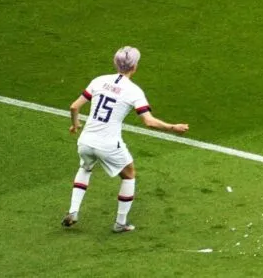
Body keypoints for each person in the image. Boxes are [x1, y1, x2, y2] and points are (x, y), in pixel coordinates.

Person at [63, 46, 189, 233]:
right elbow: (149, 121)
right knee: (129, 175)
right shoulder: (133, 91)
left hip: (86, 140)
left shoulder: (99, 80)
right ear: (134, 67)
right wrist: (173, 127)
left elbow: (74, 107)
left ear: (116, 63)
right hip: (108, 144)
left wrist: (75, 125)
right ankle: (120, 223)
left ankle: (73, 211)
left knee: (85, 168)